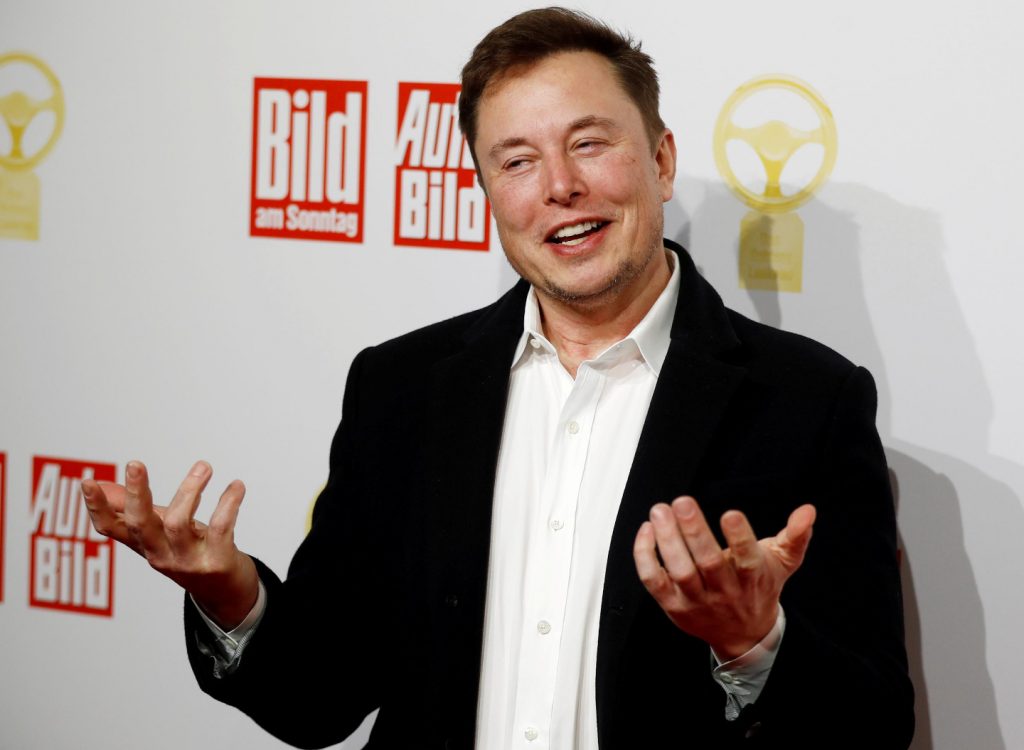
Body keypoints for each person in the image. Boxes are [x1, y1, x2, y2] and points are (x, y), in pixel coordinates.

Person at [81, 7, 914, 749]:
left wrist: (754, 642)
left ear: (661, 161)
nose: (560, 187)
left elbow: (874, 726)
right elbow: (319, 699)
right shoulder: (401, 388)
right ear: (487, 193)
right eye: (517, 161)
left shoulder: (808, 402)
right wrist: (229, 593)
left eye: (589, 143)